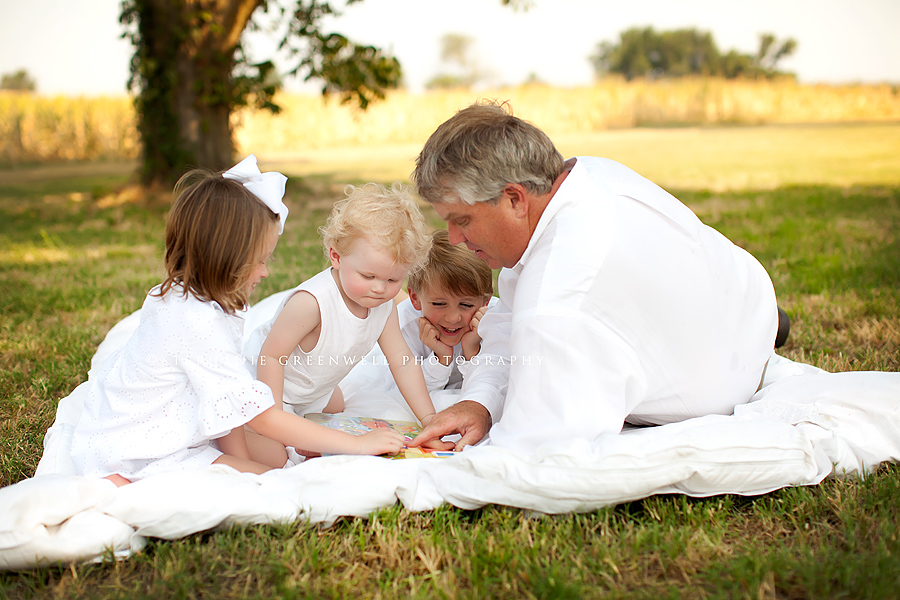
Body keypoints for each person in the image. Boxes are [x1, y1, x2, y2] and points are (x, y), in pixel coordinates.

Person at [407, 100, 782, 453]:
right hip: (747, 300)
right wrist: (479, 403)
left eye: (462, 220)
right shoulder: (587, 173)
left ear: (515, 200)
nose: (454, 238)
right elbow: (510, 317)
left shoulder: (557, 297)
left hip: (719, 385)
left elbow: (536, 451)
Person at [70, 156, 404, 485]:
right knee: (281, 482)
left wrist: (242, 461)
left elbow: (225, 404)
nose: (265, 271)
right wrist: (357, 444)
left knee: (272, 459)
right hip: (144, 447)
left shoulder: (189, 297)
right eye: (259, 261)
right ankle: (123, 479)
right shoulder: (198, 324)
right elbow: (264, 419)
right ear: (225, 260)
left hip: (162, 424)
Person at [248, 182, 438, 426]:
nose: (380, 288)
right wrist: (274, 418)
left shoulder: (383, 305)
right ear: (336, 257)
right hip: (267, 386)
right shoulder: (311, 303)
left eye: (393, 279)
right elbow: (271, 357)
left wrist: (428, 417)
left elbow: (403, 361)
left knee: (337, 404)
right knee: (276, 453)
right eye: (368, 276)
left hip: (312, 391)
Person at [399, 229, 501, 395]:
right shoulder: (404, 325)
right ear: (415, 298)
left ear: (485, 301)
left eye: (466, 305)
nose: (453, 318)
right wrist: (441, 358)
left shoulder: (497, 322)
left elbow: (490, 393)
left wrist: (471, 351)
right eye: (439, 304)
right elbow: (410, 395)